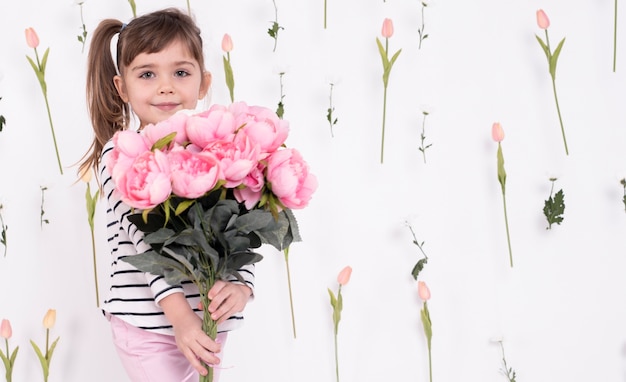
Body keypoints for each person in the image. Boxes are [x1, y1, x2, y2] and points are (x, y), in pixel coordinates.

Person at [78, 8, 254, 382]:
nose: (166, 86)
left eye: (180, 72)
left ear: (203, 83)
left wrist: (242, 286)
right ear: (121, 87)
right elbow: (143, 240)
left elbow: (240, 225)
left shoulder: (216, 148)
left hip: (205, 321)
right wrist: (181, 318)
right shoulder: (121, 153)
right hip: (149, 326)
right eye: (147, 74)